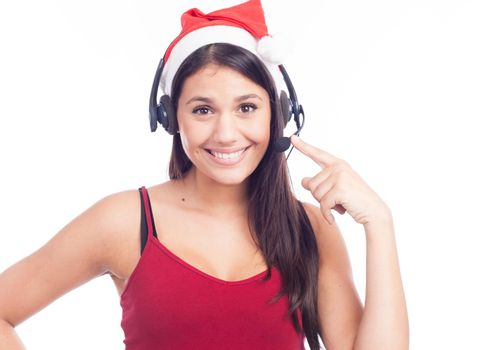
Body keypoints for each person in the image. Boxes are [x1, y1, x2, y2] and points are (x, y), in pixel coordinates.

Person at [0, 1, 408, 349]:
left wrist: (380, 222)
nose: (226, 134)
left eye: (246, 107)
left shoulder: (310, 228)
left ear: (277, 114)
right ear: (170, 116)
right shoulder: (124, 221)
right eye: (202, 110)